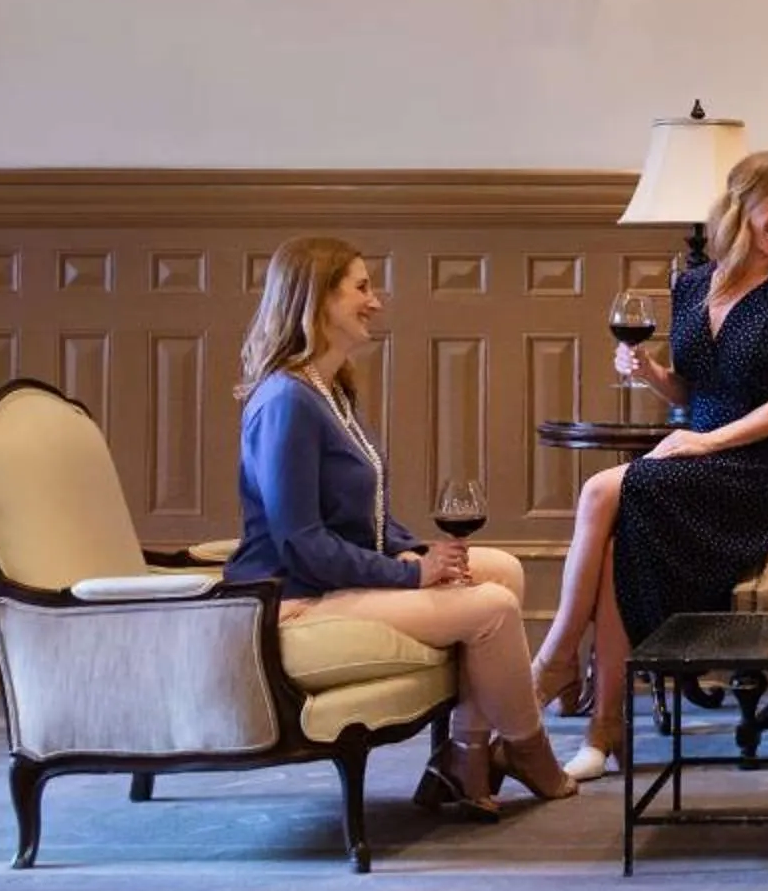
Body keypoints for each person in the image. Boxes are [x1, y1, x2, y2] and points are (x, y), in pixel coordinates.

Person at [229, 237, 575, 818]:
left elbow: (368, 513)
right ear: (317, 300)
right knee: (490, 608)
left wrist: (417, 550)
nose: (376, 302)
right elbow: (301, 543)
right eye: (362, 288)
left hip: (333, 579)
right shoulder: (287, 402)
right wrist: (408, 576)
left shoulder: (329, 389)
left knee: (500, 569)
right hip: (295, 598)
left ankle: (465, 755)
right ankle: (526, 748)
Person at [530, 152, 768, 780]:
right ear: (742, 201)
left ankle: (558, 655)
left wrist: (702, 443)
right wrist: (650, 376)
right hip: (690, 459)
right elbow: (694, 392)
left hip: (750, 476)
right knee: (617, 554)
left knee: (598, 491)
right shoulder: (691, 284)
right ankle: (603, 730)